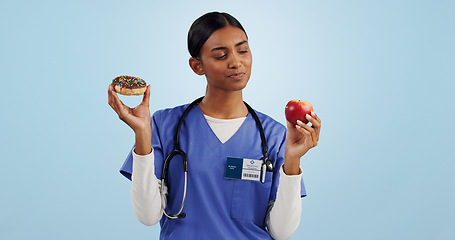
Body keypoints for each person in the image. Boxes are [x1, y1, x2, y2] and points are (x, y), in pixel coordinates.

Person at [108, 12, 321, 240]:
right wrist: (142, 134)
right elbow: (148, 216)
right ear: (197, 66)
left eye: (242, 50)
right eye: (221, 55)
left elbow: (282, 232)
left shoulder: (276, 135)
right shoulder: (164, 125)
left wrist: (293, 160)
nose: (236, 62)